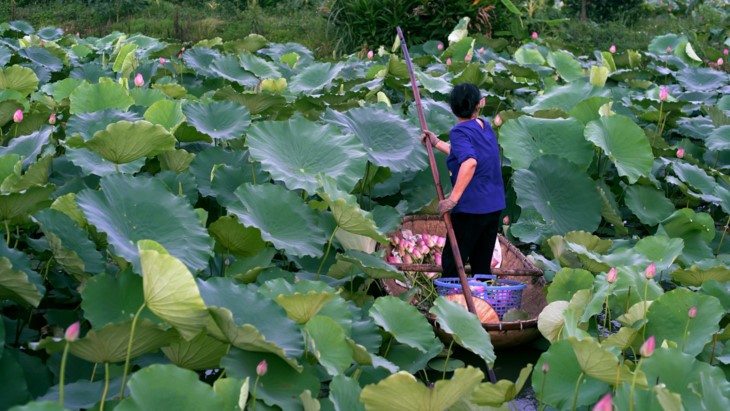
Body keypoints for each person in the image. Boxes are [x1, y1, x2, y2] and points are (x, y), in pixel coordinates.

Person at [421, 83, 505, 277]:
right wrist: (437, 143)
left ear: (452, 107)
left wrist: (452, 200)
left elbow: (469, 163)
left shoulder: (458, 132)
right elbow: (466, 154)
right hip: (493, 206)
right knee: (482, 266)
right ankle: (482, 304)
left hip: (471, 210)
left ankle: (450, 303)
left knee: (451, 265)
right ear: (478, 105)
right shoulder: (485, 127)